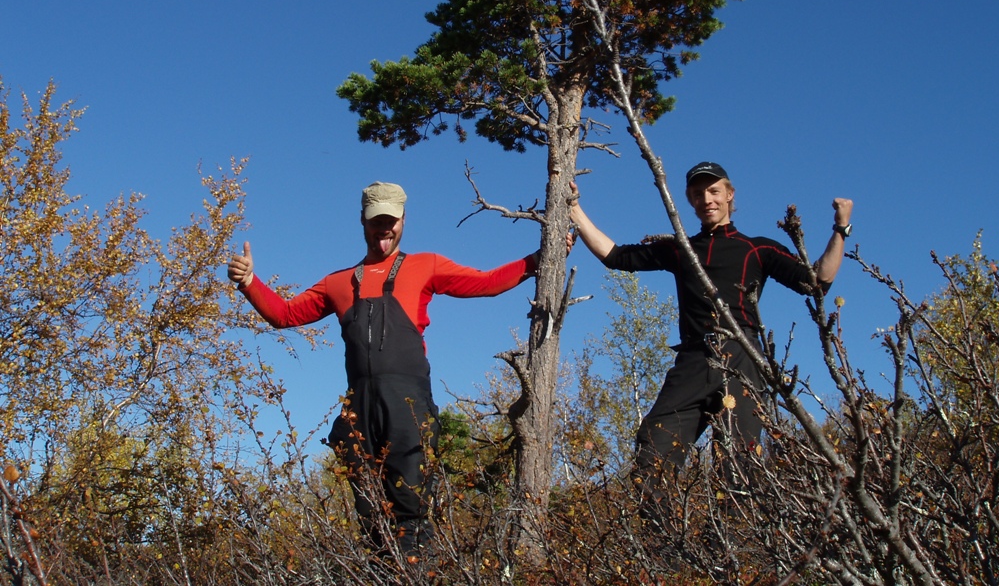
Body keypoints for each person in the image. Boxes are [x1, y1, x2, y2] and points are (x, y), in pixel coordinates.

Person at [226, 181, 538, 555]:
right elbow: (285, 314)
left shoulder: (425, 265)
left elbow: (487, 283)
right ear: (363, 220)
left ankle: (416, 573)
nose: (384, 229)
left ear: (403, 219)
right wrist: (249, 282)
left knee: (411, 510)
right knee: (371, 515)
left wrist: (539, 260)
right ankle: (379, 570)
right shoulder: (338, 283)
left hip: (408, 402)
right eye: (377, 221)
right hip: (359, 407)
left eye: (391, 221)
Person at [568, 161, 852, 522]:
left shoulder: (756, 249)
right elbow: (615, 256)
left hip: (742, 357)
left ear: (729, 195)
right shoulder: (680, 249)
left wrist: (841, 227)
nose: (707, 199)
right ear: (690, 200)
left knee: (739, 465)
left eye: (714, 191)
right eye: (698, 193)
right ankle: (665, 546)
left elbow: (817, 282)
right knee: (653, 446)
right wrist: (574, 209)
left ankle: (733, 546)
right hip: (693, 359)